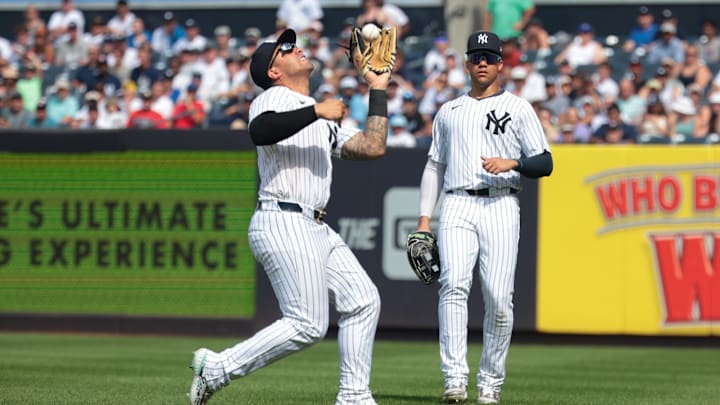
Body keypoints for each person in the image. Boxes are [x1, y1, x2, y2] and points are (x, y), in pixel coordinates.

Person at [187, 27, 391, 405]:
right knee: (308, 324)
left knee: (363, 300)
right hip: (282, 218)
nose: (296, 48)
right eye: (285, 48)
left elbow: (373, 146)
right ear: (273, 71)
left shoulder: (317, 115)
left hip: (314, 226)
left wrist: (378, 87)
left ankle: (354, 396)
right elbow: (260, 131)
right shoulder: (273, 98)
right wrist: (317, 110)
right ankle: (217, 367)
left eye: (294, 44)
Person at [412, 30, 552, 404]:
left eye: (489, 57)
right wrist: (425, 219)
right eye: (477, 56)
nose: (483, 63)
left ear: (501, 63)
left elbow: (545, 162)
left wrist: (514, 163)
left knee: (498, 298)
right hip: (457, 202)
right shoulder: (449, 111)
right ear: (467, 62)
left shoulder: (519, 107)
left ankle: (490, 384)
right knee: (453, 286)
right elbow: (434, 168)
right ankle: (454, 380)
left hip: (502, 203)